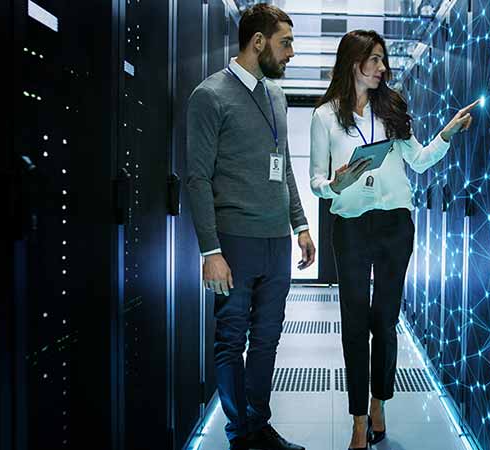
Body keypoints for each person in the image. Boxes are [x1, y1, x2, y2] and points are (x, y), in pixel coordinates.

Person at [309, 29, 477, 450]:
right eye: (376, 60)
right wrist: (335, 183)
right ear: (354, 63)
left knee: (384, 320)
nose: (384, 68)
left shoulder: (393, 108)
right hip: (349, 226)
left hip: (395, 225)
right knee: (354, 324)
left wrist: (446, 136)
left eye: (384, 61)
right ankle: (358, 419)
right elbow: (315, 182)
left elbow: (418, 162)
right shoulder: (325, 116)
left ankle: (379, 402)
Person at [186, 4, 315, 450]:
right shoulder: (210, 96)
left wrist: (300, 224)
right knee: (231, 339)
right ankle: (240, 433)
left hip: (276, 241)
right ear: (257, 42)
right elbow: (197, 178)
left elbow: (285, 171)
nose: (292, 53)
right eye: (285, 43)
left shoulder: (275, 96)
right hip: (234, 243)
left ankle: (259, 425)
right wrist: (210, 251)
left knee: (266, 341)